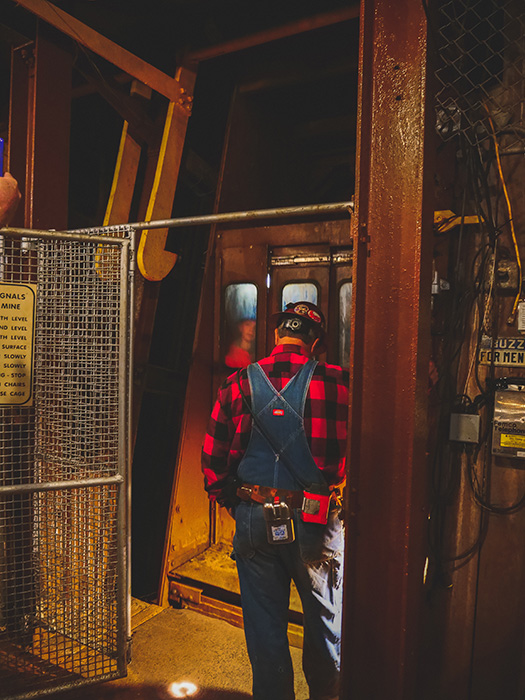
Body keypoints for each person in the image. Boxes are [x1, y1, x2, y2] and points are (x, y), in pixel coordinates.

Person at [202, 301, 349, 700]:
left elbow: (213, 469)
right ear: (314, 342)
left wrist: (244, 507)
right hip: (317, 524)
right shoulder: (340, 384)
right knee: (324, 627)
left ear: (277, 335)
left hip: (254, 516)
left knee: (265, 633)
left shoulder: (236, 384)